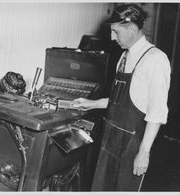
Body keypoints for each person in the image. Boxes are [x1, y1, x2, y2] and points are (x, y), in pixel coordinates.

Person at [72, 4, 171, 191]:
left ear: (133, 28)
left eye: (116, 32)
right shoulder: (124, 57)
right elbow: (121, 102)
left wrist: (144, 152)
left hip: (132, 146)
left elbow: (157, 112)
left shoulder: (155, 59)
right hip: (110, 140)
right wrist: (92, 104)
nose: (112, 38)